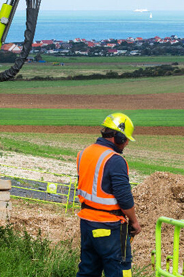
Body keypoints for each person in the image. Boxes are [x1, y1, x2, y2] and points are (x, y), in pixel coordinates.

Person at [76, 113, 141, 277]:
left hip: (87, 223)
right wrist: (134, 222)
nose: (126, 143)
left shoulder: (84, 153)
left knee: (88, 271)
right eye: (125, 138)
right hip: (109, 227)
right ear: (118, 137)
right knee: (120, 270)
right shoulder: (115, 160)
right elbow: (125, 198)